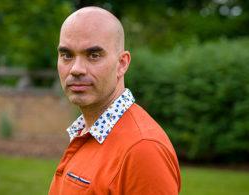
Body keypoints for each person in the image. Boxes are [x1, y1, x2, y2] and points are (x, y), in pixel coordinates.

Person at [49, 6, 181, 195]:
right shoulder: (87, 131)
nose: (76, 69)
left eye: (93, 55)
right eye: (67, 55)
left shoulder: (142, 149)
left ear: (122, 64)